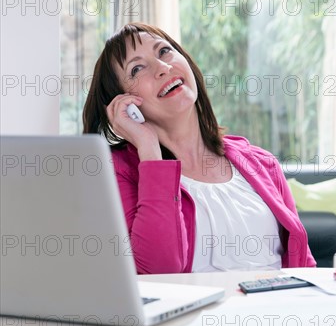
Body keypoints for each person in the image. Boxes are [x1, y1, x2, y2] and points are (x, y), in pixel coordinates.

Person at [83, 22, 316, 274]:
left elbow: (304, 266)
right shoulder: (117, 172)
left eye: (164, 51)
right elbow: (158, 270)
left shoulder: (262, 163)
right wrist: (149, 151)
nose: (163, 67)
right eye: (137, 68)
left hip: (276, 311)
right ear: (122, 103)